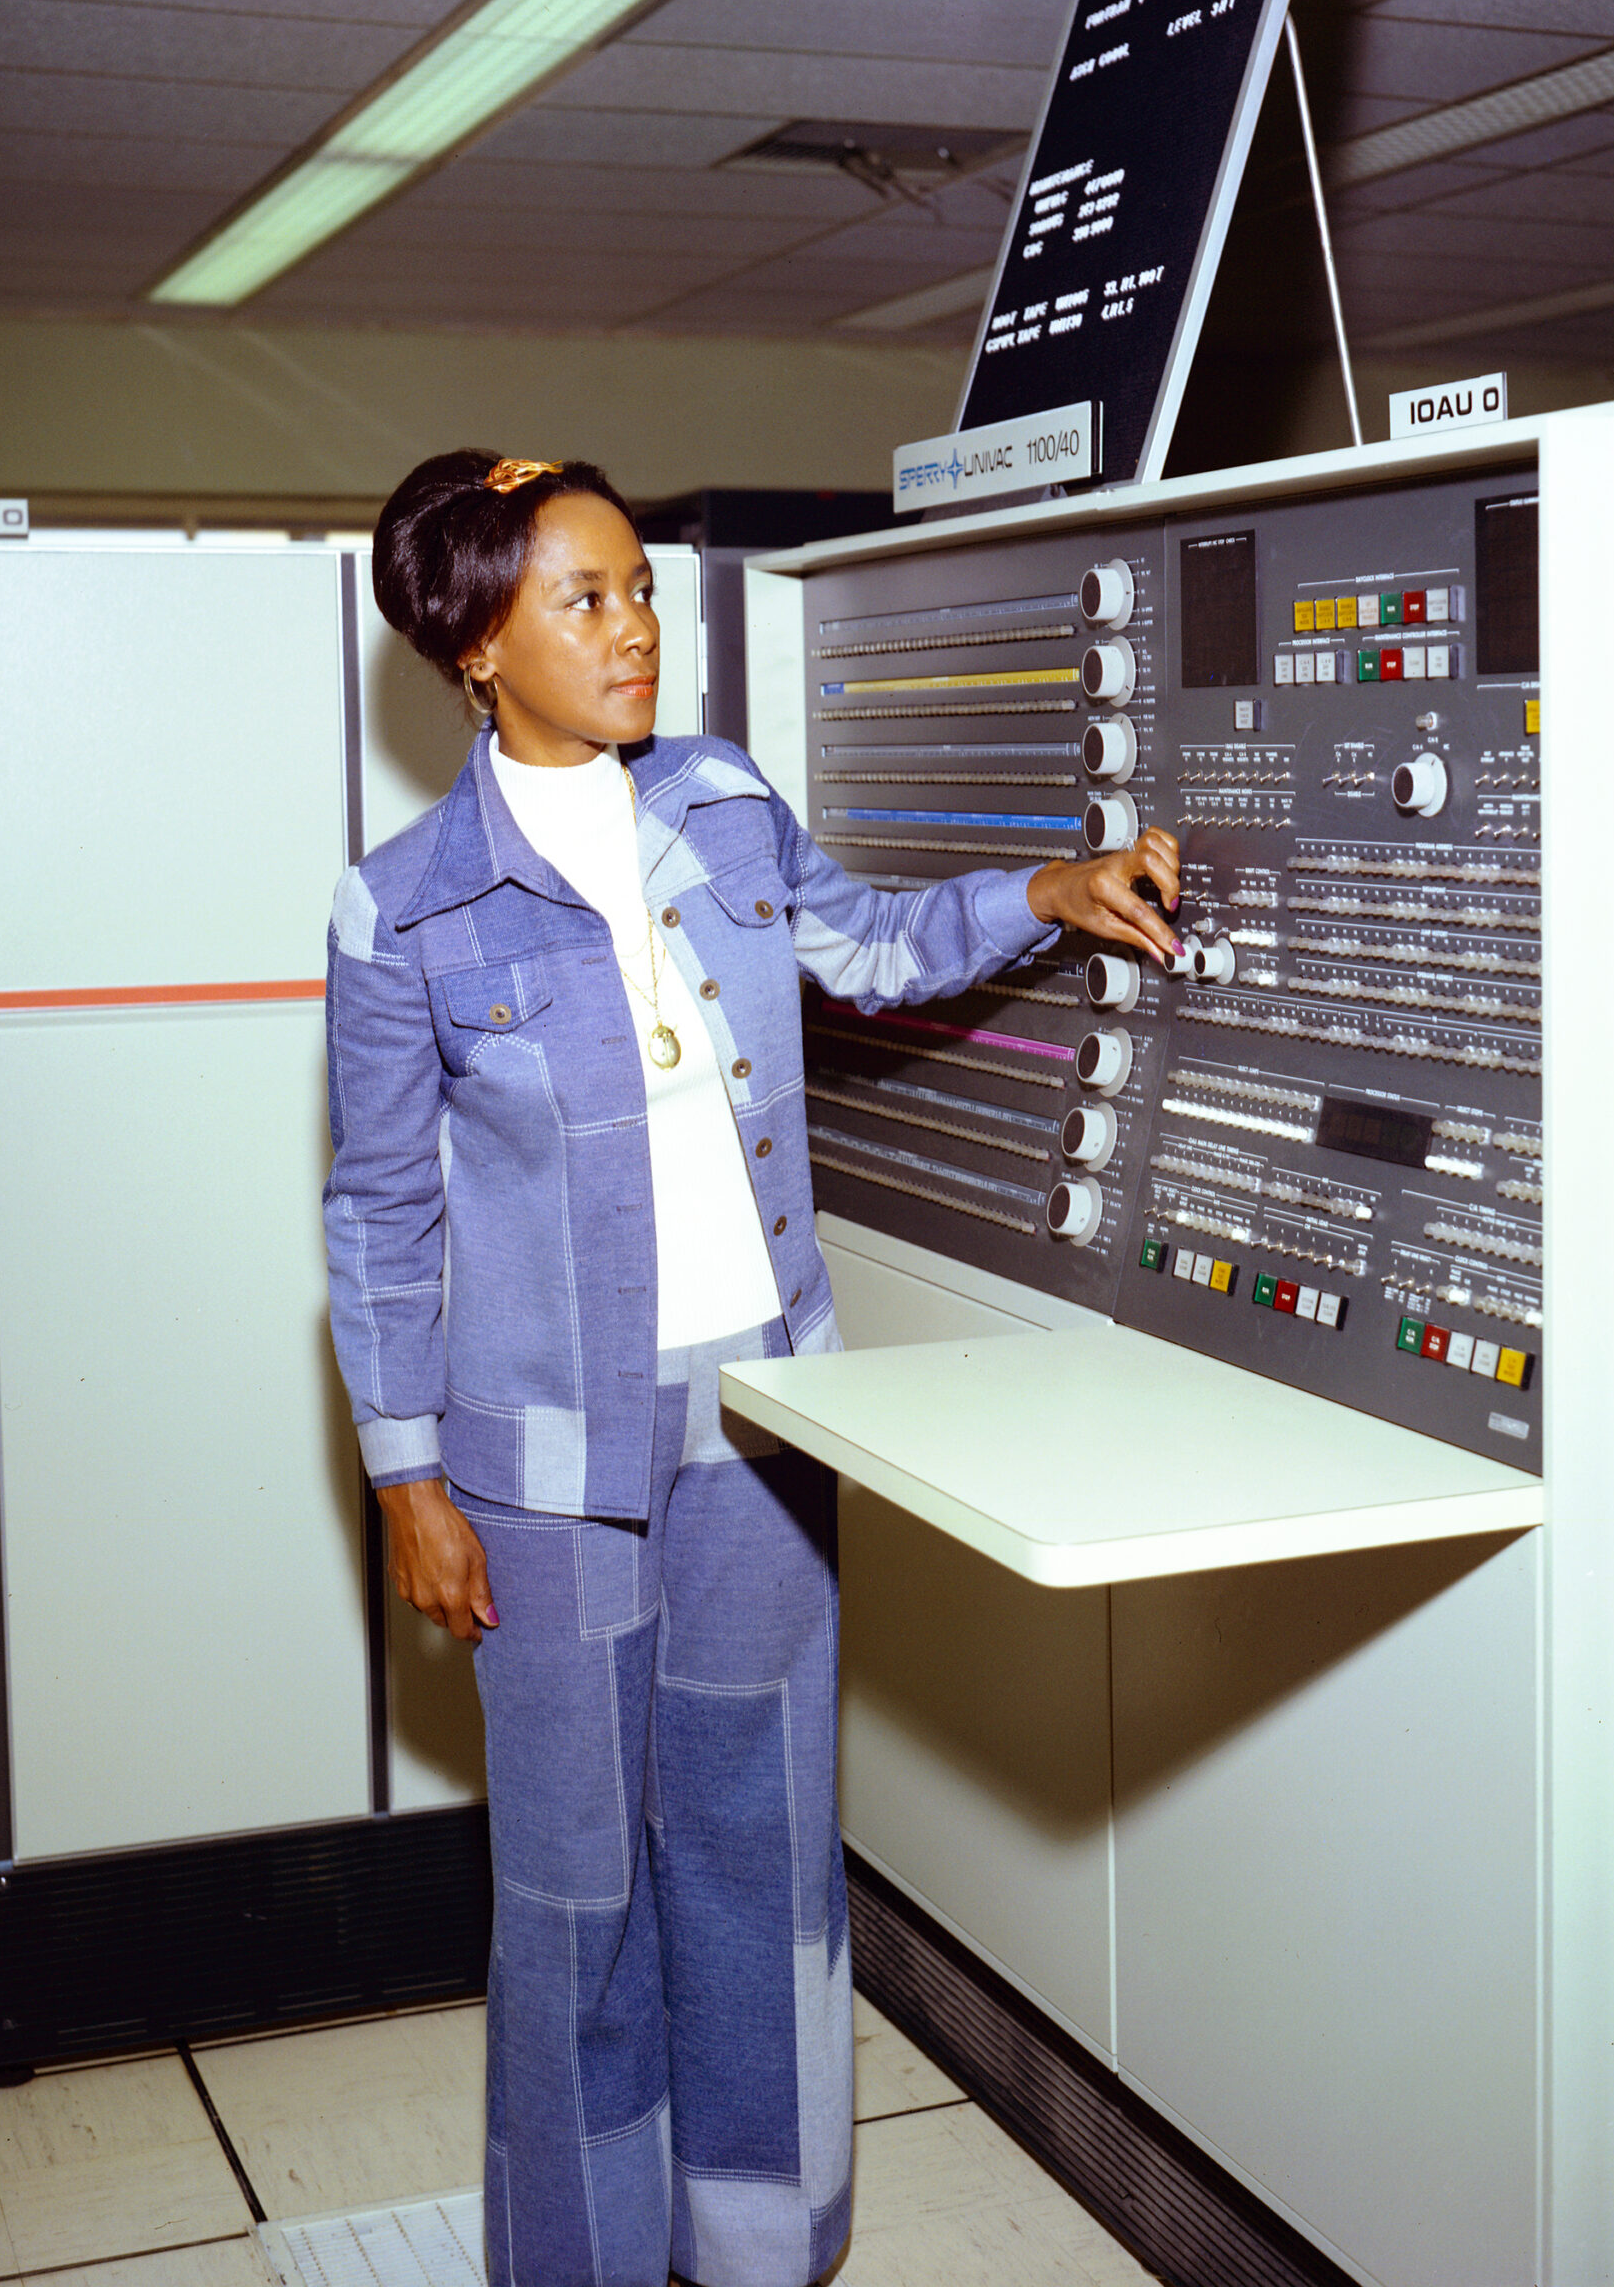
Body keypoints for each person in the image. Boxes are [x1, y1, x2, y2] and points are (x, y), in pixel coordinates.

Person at [322, 449, 1181, 2287]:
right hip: (540, 1471)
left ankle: (763, 2250)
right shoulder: (399, 911)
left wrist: (1046, 882)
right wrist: (405, 1478)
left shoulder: (713, 805)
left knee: (759, 1862)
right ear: (473, 640)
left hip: (764, 1425)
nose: (638, 629)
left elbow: (861, 948)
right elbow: (379, 1217)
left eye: (641, 589)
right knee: (575, 1898)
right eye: (587, 599)